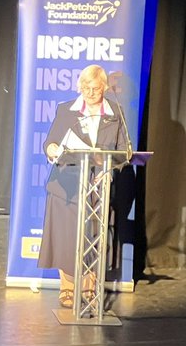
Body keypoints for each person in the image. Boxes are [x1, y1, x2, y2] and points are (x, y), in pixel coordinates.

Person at [37, 64, 130, 307]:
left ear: (104, 88)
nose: (90, 93)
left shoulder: (115, 113)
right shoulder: (66, 110)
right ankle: (67, 288)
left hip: (99, 185)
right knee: (67, 237)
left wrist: (109, 169)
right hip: (67, 184)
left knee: (95, 236)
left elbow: (123, 152)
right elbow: (50, 142)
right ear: (80, 87)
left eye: (96, 88)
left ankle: (90, 288)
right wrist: (52, 149)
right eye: (86, 88)